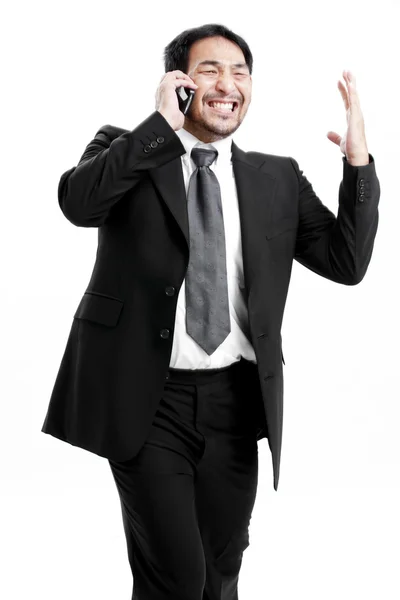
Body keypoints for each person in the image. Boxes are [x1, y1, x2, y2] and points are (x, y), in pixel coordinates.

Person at [41, 22, 380, 600]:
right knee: (176, 577)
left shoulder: (276, 176)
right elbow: (79, 203)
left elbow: (345, 261)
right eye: (210, 70)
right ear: (177, 81)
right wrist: (162, 130)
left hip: (235, 403)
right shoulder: (126, 148)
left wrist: (358, 163)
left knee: (221, 571)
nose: (228, 84)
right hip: (146, 401)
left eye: (240, 72)